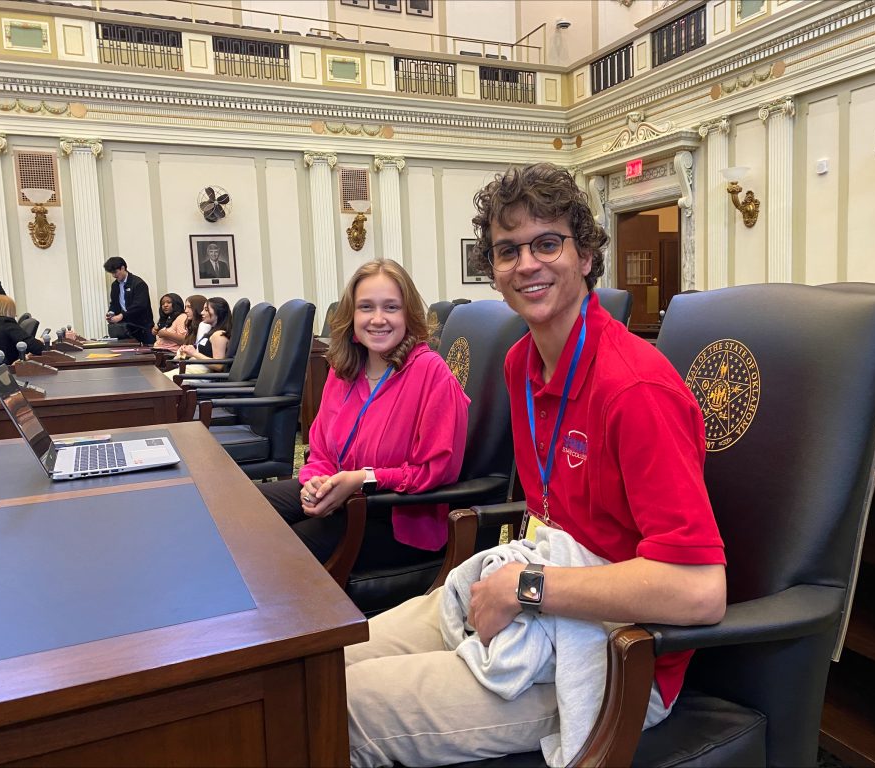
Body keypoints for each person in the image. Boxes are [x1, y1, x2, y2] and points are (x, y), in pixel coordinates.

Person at [344, 164, 726, 767]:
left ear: (586, 257)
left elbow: (701, 592)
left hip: (621, 659)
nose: (527, 263)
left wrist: (526, 588)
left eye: (548, 242)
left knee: (344, 704)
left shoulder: (635, 388)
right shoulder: (522, 364)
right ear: (493, 272)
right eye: (507, 250)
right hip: (545, 607)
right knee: (323, 663)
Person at [259, 258, 469, 568]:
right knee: (247, 513)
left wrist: (363, 479)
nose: (378, 319)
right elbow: (321, 451)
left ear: (409, 315)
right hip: (342, 495)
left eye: (391, 307)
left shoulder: (431, 373)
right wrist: (315, 482)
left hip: (397, 517)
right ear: (352, 315)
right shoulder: (344, 369)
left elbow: (437, 471)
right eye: (366, 307)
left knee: (281, 551)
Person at [103, 257, 154, 345]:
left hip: (141, 328)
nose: (114, 276)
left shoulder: (139, 284)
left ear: (122, 268)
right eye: (112, 273)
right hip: (125, 328)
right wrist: (111, 313)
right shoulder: (115, 285)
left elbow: (140, 306)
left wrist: (122, 316)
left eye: (115, 272)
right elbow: (114, 303)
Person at [175, 296, 230, 373]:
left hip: (203, 374)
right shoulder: (211, 331)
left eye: (206, 310)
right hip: (195, 368)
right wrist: (187, 352)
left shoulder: (218, 335)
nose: (202, 312)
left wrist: (194, 353)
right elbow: (202, 355)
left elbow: (219, 365)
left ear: (218, 313)